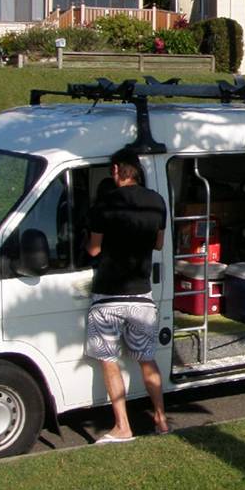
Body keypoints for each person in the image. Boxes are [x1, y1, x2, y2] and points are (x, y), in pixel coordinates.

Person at [85, 147, 169, 442]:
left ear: (116, 170)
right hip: (141, 296)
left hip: (108, 296)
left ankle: (123, 427)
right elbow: (158, 244)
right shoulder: (157, 201)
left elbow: (94, 249)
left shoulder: (104, 204)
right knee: (147, 359)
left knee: (109, 360)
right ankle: (161, 420)